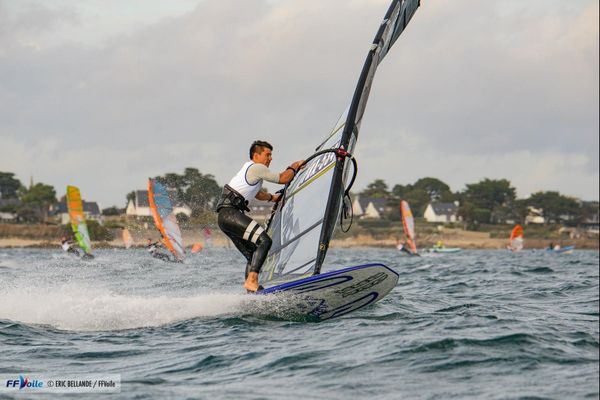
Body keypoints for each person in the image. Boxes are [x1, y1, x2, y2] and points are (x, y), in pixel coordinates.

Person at [217, 140, 304, 292]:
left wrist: (272, 198)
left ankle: (250, 291)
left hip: (225, 218)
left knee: (252, 253)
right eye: (267, 155)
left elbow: (258, 195)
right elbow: (284, 178)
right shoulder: (257, 168)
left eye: (271, 155)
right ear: (256, 155)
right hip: (231, 213)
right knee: (264, 241)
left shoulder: (249, 171)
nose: (270, 158)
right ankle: (251, 282)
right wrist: (294, 166)